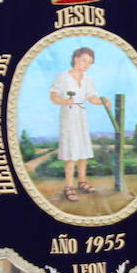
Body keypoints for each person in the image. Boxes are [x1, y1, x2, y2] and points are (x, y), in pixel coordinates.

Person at [49, 46, 112, 201]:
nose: (86, 64)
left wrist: (102, 102)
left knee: (83, 151)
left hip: (81, 115)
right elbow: (53, 96)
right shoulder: (62, 76)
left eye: (90, 62)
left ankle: (82, 182)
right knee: (71, 153)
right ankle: (69, 187)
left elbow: (91, 97)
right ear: (76, 58)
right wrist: (64, 101)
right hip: (68, 114)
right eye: (84, 60)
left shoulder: (88, 79)